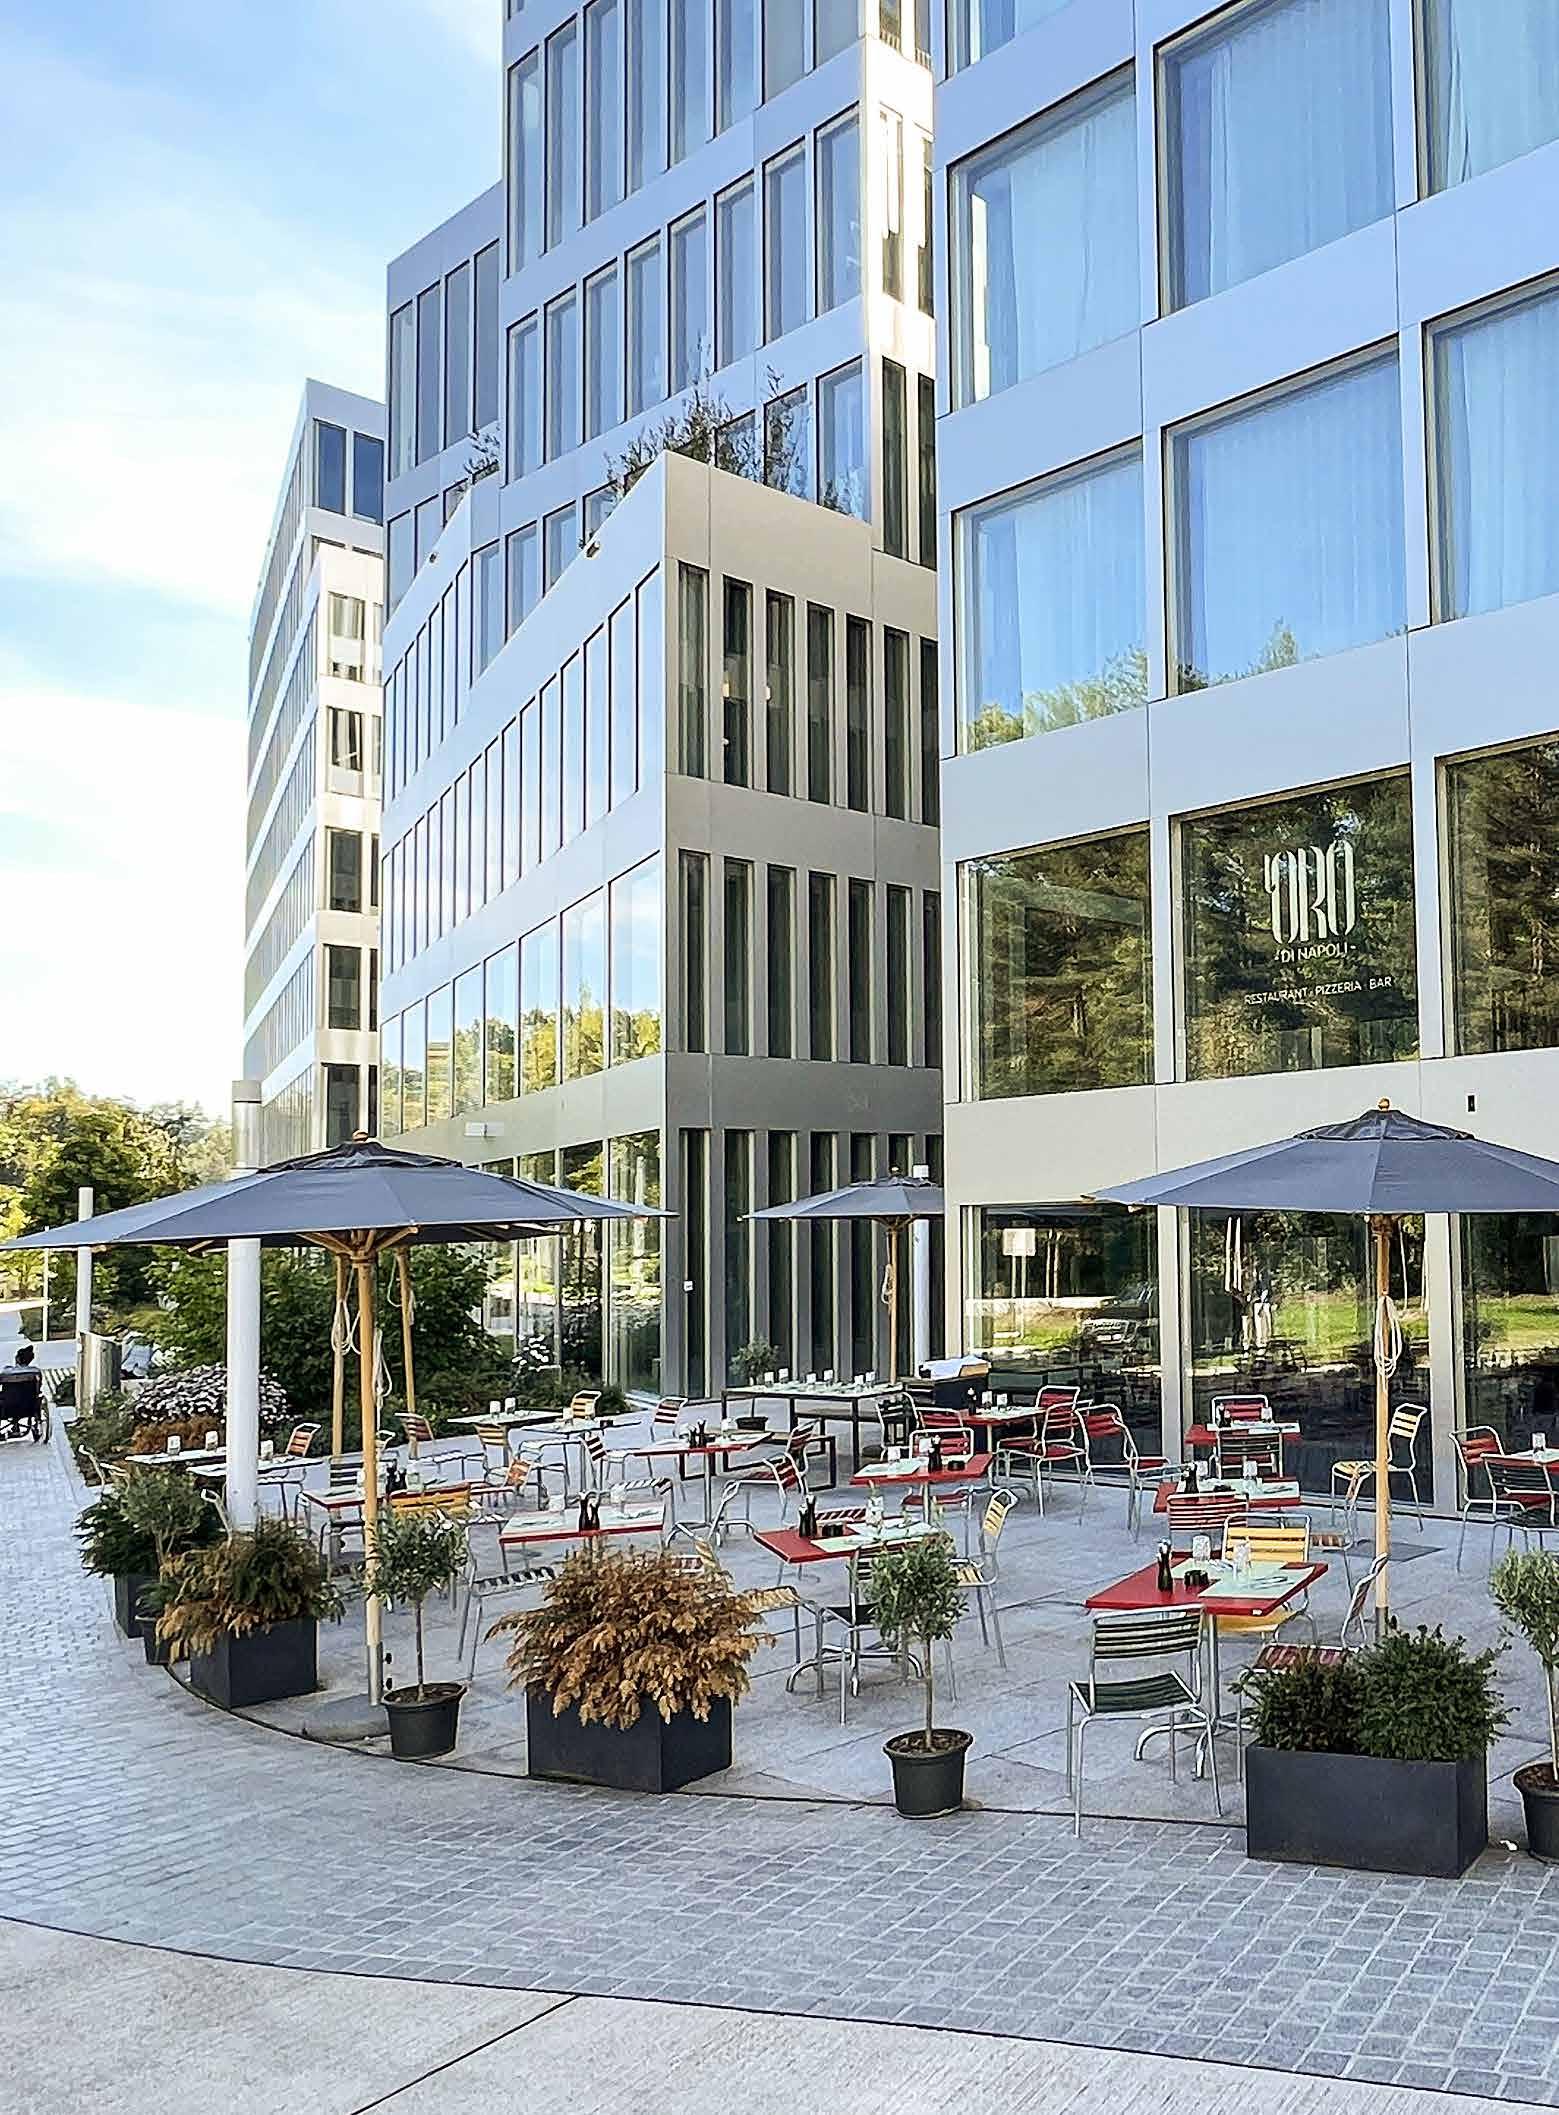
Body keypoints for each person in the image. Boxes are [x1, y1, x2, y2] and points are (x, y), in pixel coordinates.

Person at [0, 1343, 44, 1438]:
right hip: (29, 1406)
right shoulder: (35, 1371)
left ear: (17, 1359)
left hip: (7, 1407)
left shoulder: (6, 1372)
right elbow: (39, 1387)